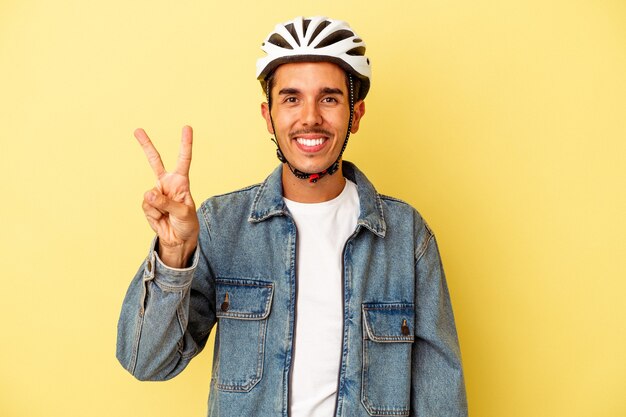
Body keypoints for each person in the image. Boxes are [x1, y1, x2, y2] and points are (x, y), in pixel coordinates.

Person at [117, 16, 468, 417]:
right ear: (268, 116)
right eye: (291, 98)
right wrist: (174, 253)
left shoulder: (407, 237)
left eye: (330, 98)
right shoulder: (221, 225)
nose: (310, 117)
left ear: (356, 114)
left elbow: (441, 401)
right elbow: (146, 361)